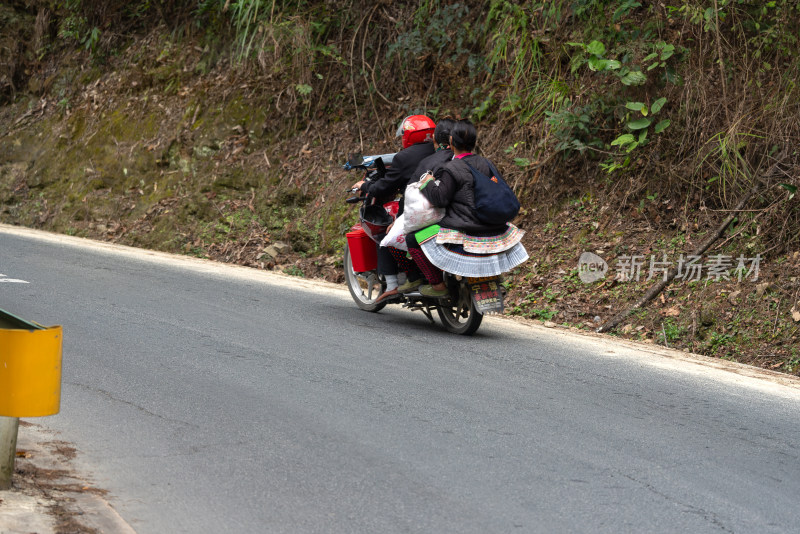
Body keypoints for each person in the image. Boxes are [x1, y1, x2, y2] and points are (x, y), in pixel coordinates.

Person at [405, 119, 528, 297]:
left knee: (412, 239)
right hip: (493, 225)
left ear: (452, 142)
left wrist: (427, 183)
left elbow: (440, 198)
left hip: (465, 226)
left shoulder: (452, 168)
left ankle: (438, 286)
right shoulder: (486, 163)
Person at [351, 115, 435, 302]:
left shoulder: (404, 157)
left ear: (409, 135)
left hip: (418, 208)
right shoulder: (441, 151)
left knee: (387, 235)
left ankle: (394, 285)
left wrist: (364, 186)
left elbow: (386, 185)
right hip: (443, 203)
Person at [392, 117, 456, 294]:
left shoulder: (429, 163)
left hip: (446, 221)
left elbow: (412, 196)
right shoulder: (469, 160)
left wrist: (400, 220)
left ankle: (436, 284)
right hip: (473, 217)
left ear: (435, 140)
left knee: (410, 238)